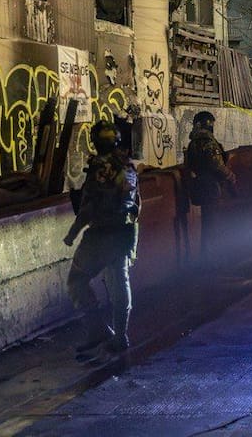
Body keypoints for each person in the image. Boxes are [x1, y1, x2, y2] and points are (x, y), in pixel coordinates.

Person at [64, 118, 140, 358]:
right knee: (119, 282)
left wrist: (73, 232)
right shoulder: (127, 165)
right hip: (124, 232)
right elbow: (136, 202)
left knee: (77, 280)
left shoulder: (100, 167)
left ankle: (98, 330)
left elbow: (89, 206)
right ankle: (120, 336)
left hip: (101, 234)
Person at [184, 110, 238, 265]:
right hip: (210, 187)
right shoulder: (207, 142)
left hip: (200, 186)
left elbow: (189, 165)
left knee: (208, 225)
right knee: (213, 225)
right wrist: (230, 176)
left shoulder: (193, 143)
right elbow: (216, 164)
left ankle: (207, 259)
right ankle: (212, 262)